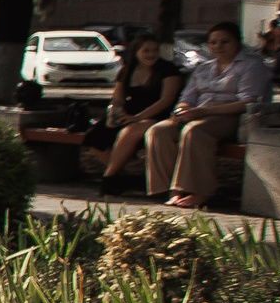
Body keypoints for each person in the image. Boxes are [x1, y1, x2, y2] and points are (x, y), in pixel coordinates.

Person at [149, 21, 270, 209]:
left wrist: (202, 111)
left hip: (229, 115)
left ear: (237, 42)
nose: (218, 47)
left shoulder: (251, 66)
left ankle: (200, 191)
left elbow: (248, 102)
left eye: (225, 42)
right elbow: (187, 97)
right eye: (213, 42)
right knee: (158, 131)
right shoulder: (204, 68)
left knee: (194, 131)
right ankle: (171, 189)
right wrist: (182, 110)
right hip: (198, 112)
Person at [97, 33, 184, 191]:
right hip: (130, 113)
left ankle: (108, 178)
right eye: (146, 51)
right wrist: (114, 112)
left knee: (129, 132)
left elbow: (166, 100)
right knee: (96, 135)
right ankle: (122, 177)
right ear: (136, 52)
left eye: (155, 50)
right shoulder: (126, 70)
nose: (151, 54)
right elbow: (118, 97)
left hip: (158, 114)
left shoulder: (168, 70)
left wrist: (137, 118)